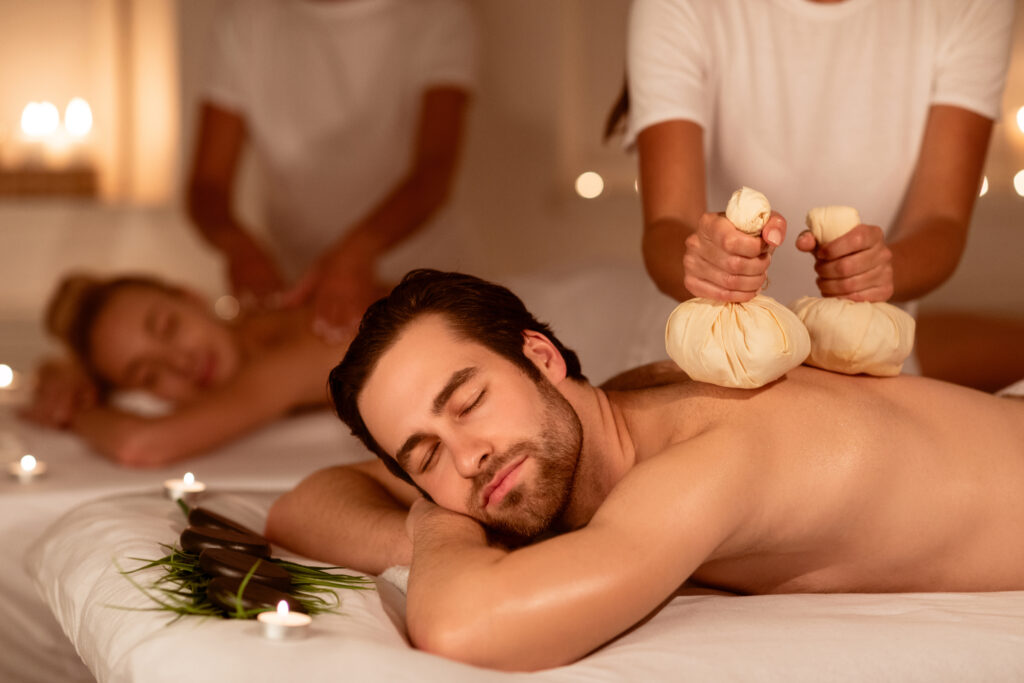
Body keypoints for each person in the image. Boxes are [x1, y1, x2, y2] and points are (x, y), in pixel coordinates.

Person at [266, 269, 1024, 671]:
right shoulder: (596, 425)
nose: (469, 456)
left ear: (540, 356)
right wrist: (459, 522)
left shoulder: (704, 459)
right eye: (425, 455)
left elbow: (465, 626)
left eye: (468, 401)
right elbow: (300, 506)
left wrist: (444, 520)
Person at [608, 0, 1013, 330]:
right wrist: (706, 265)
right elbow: (668, 224)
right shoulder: (678, 6)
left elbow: (942, 220)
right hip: (703, 359)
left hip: (868, 370)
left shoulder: (970, 6)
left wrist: (881, 270)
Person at [186, 0, 477, 343]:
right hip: (300, 291)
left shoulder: (435, 13)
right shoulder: (245, 19)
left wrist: (357, 253)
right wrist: (239, 248)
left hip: (421, 284)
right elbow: (208, 184)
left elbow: (433, 172)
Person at [21, 273, 373, 466]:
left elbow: (139, 445)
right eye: (149, 376)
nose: (181, 363)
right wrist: (66, 375)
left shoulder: (298, 345)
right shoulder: (261, 334)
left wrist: (75, 413)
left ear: (190, 297)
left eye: (168, 327)